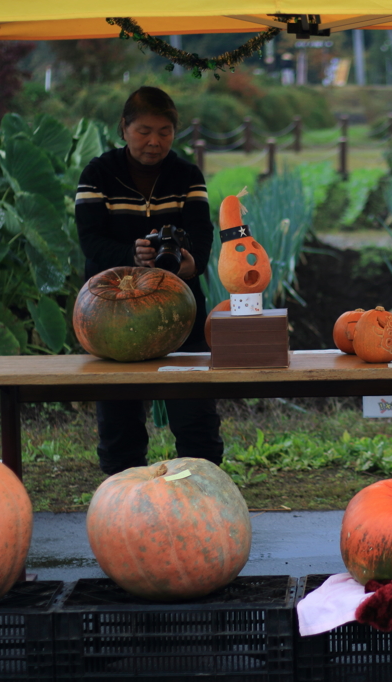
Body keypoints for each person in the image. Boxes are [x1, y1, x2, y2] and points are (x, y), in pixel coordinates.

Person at [75, 86, 223, 475]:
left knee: (196, 420)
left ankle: (202, 489)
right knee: (119, 422)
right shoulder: (97, 175)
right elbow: (90, 241)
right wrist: (131, 256)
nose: (154, 141)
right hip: (111, 316)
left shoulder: (187, 175)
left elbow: (202, 235)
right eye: (143, 131)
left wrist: (193, 264)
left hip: (180, 313)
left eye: (164, 131)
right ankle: (122, 498)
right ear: (123, 128)